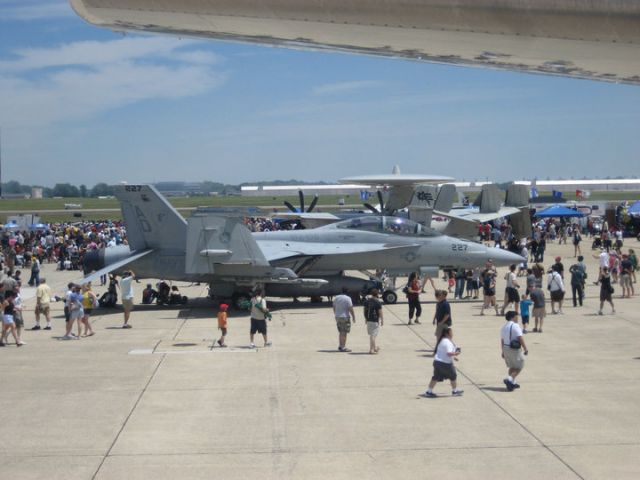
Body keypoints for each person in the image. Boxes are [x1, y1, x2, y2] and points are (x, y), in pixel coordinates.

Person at [424, 327, 463, 398]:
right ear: (447, 333)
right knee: (453, 375)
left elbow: (444, 352)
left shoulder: (443, 340)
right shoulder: (447, 342)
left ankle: (429, 391)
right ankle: (455, 391)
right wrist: (455, 354)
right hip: (445, 363)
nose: (452, 333)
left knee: (436, 377)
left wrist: (454, 357)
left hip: (437, 362)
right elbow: (448, 353)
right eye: (451, 332)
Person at [500, 311, 528, 391]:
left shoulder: (504, 326)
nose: (518, 317)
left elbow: (502, 340)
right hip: (514, 349)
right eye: (517, 316)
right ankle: (509, 379)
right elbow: (520, 337)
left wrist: (502, 351)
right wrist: (525, 349)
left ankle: (512, 383)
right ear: (513, 317)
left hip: (506, 348)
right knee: (520, 366)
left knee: (512, 366)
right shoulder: (515, 325)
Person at [333, 287, 356, 352]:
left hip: (338, 316)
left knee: (341, 332)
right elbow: (350, 308)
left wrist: (336, 314)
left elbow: (334, 307)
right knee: (344, 332)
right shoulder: (348, 298)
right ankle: (343, 347)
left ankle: (340, 345)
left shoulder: (336, 297)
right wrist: (353, 317)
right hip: (345, 317)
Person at [363, 288, 383, 354]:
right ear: (377, 294)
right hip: (374, 320)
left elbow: (364, 311)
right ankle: (372, 350)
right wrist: (382, 320)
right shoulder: (378, 302)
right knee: (373, 336)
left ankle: (374, 348)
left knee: (371, 335)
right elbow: (380, 312)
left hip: (368, 320)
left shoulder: (367, 301)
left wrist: (365, 318)